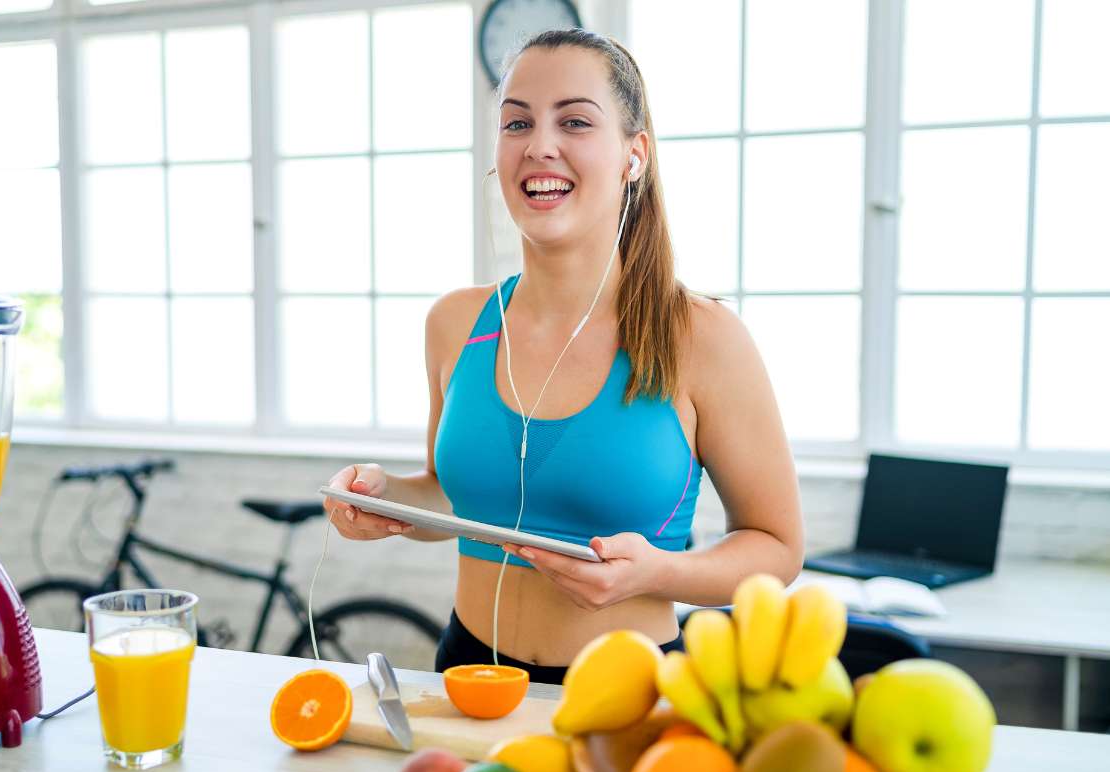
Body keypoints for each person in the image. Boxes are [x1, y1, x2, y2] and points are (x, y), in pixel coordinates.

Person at [323, 29, 803, 685]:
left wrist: (660, 572)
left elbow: (777, 549)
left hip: (632, 696)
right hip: (468, 672)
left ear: (634, 155)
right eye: (516, 121)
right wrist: (389, 499)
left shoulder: (702, 337)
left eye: (574, 120)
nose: (538, 145)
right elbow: (455, 497)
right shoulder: (455, 324)